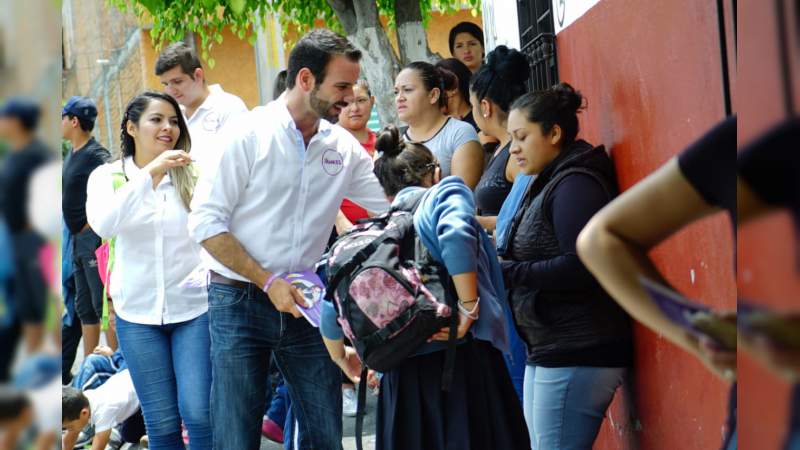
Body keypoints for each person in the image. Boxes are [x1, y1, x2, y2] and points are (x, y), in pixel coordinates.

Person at [187, 29, 390, 450]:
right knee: (235, 435)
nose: (351, 98)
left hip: (305, 301)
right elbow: (205, 223)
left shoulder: (344, 148)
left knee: (325, 431)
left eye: (353, 86)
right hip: (237, 300)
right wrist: (266, 281)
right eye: (341, 86)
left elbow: (389, 209)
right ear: (305, 79)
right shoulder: (247, 135)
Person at [320, 125, 529, 450]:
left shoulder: (373, 237)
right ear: (434, 172)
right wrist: (468, 309)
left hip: (401, 383)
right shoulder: (444, 194)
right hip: (461, 368)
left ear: (386, 191)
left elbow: (330, 302)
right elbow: (457, 235)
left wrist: (341, 357)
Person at [501, 83, 633, 448]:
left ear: (554, 133)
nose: (513, 149)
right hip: (551, 346)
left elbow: (582, 267)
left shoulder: (576, 184)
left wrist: (506, 272)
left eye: (522, 137)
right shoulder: (549, 178)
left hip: (578, 350)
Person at [86, 91, 212, 449]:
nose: (168, 128)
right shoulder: (106, 176)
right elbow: (104, 225)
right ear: (131, 127)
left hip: (194, 311)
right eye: (157, 119)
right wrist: (150, 174)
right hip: (137, 316)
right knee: (162, 421)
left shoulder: (193, 174)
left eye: (173, 121)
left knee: (200, 413)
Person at [61, 96, 116, 359]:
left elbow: (116, 177)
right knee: (84, 306)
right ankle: (90, 361)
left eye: (62, 118)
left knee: (102, 301)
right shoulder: (72, 154)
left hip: (92, 237)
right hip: (76, 241)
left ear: (74, 121)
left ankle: (116, 358)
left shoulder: (96, 154)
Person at [0, 97, 51, 355]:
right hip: (12, 237)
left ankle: (40, 360)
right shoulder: (15, 153)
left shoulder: (36, 154)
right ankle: (30, 358)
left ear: (16, 122)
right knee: (22, 302)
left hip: (31, 239)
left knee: (37, 301)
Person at [156, 42, 248, 173]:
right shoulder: (171, 114)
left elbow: (239, 164)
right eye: (166, 84)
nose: (171, 91)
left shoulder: (229, 107)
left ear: (198, 75)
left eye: (177, 82)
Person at [395, 61, 484, 189]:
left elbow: (460, 200)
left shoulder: (460, 133)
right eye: (396, 92)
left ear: (433, 95)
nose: (399, 98)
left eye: (407, 90)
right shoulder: (393, 141)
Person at [471, 45, 528, 233]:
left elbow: (528, 216)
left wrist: (477, 222)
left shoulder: (517, 153)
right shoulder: (500, 147)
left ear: (485, 106)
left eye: (473, 106)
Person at [61, 374, 143, 450]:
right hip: (130, 380)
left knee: (129, 436)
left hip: (144, 398)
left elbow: (98, 448)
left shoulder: (102, 413)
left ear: (84, 413)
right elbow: (68, 440)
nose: (68, 430)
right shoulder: (81, 401)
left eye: (69, 427)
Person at [435, 58, 478, 132]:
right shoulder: (435, 122)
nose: (434, 96)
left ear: (453, 87)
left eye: (437, 88)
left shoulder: (479, 122)